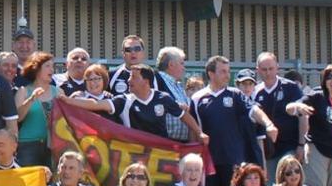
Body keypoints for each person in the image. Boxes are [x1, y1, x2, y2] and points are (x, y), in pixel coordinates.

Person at [191, 56, 276, 186]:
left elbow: (253, 110)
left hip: (234, 160)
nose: (227, 75)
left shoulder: (235, 94)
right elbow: (193, 130)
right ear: (211, 74)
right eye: (223, 71)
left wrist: (268, 123)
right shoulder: (197, 98)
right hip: (209, 160)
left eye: (228, 71)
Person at [64, 64, 202, 141]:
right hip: (135, 152)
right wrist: (67, 100)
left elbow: (183, 115)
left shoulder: (163, 98)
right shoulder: (124, 100)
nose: (128, 81)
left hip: (161, 152)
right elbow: (95, 105)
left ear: (146, 81)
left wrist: (200, 133)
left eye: (133, 77)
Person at [254, 52, 305, 178]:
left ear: (277, 68)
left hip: (289, 145)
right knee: (271, 185)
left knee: (289, 179)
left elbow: (302, 116)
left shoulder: (290, 88)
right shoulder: (255, 91)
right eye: (264, 69)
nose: (268, 72)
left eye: (271, 68)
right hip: (267, 150)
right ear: (258, 70)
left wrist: (301, 144)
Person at [15, 52, 57, 167]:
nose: (52, 70)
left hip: (52, 145)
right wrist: (31, 99)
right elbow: (18, 118)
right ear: (36, 69)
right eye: (47, 66)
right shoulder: (23, 91)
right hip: (28, 146)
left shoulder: (58, 92)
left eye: (52, 66)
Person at [156, 46, 192, 142]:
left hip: (180, 144)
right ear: (171, 65)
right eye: (181, 63)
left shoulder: (178, 85)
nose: (184, 68)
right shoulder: (156, 80)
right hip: (164, 142)